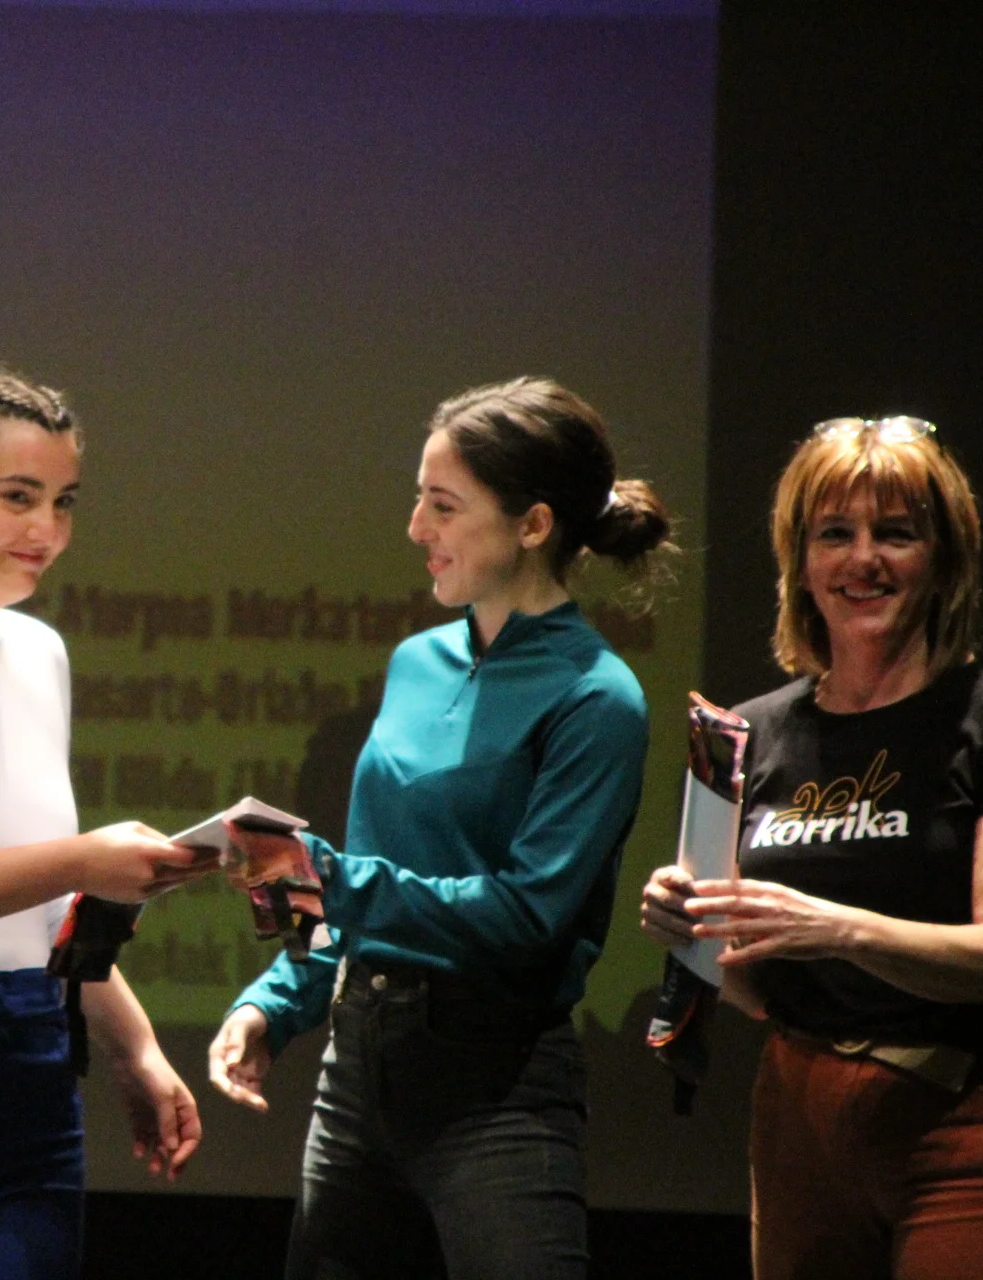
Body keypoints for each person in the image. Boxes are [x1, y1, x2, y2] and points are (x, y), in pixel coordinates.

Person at [207, 376, 674, 1280]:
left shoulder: (596, 696)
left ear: (533, 524)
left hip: (494, 1089)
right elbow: (371, 888)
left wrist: (332, 876)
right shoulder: (416, 661)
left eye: (444, 506)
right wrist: (277, 1001)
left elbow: (528, 917)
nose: (416, 527)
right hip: (356, 1076)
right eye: (420, 498)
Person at [638, 416, 983, 1279]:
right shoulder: (745, 733)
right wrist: (691, 929)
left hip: (968, 1111)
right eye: (835, 534)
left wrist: (832, 926)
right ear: (800, 562)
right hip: (801, 1115)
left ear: (943, 557)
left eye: (895, 533)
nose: (863, 559)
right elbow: (752, 987)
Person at [0, 367, 214, 1279]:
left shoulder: (40, 652)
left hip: (36, 1048)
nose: (47, 531)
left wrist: (134, 1046)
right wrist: (81, 860)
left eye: (63, 502)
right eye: (18, 497)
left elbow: (40, 909)